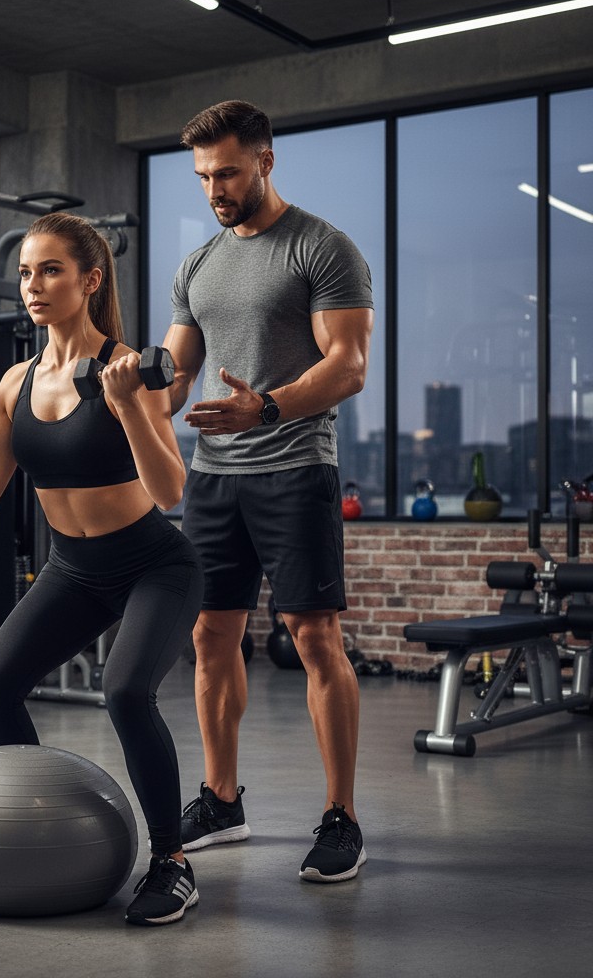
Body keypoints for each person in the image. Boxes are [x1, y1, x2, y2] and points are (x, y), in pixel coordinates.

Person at [0, 211, 205, 925]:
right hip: (72, 569)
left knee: (126, 691)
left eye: (50, 270)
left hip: (153, 565)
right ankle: (36, 825)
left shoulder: (127, 368)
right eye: (25, 273)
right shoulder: (15, 382)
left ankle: (172, 862)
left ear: (90, 280)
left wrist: (127, 403)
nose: (33, 286)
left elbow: (171, 491)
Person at [162, 100, 374, 883]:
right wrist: (129, 400)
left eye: (226, 172)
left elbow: (348, 365)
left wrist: (269, 407)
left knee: (315, 639)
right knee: (209, 637)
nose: (214, 188)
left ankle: (342, 815)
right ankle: (222, 799)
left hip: (295, 468)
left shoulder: (322, 247)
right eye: (202, 176)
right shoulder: (198, 266)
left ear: (265, 161)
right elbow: (176, 372)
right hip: (213, 478)